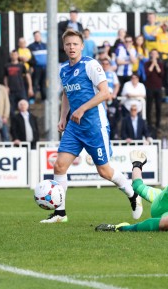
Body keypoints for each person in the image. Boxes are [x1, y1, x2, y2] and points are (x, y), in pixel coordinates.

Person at [44, 29, 142, 223]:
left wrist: (80, 109)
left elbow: (106, 93)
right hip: (74, 126)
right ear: (64, 47)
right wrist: (64, 116)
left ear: (82, 46)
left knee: (104, 171)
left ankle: (133, 194)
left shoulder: (90, 64)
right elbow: (66, 94)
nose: (71, 47)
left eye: (75, 44)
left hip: (94, 125)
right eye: (68, 44)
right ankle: (60, 214)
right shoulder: (63, 69)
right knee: (59, 165)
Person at [4, 50, 32, 114]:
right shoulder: (7, 66)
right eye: (12, 55)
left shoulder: (21, 65)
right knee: (12, 109)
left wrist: (30, 88)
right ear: (10, 56)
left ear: (18, 56)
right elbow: (5, 77)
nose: (14, 56)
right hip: (11, 91)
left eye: (15, 55)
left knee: (26, 107)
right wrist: (6, 86)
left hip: (21, 89)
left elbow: (28, 76)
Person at [143, 49, 163, 130]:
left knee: (158, 107)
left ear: (158, 55)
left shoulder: (161, 64)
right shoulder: (147, 64)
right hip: (149, 87)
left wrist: (156, 65)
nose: (154, 55)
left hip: (158, 88)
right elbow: (147, 73)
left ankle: (158, 124)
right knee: (149, 107)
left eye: (155, 54)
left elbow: (161, 74)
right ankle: (149, 124)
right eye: (152, 53)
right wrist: (152, 64)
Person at [28, 31, 47, 101]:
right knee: (35, 83)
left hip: (45, 68)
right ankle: (32, 99)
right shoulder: (30, 46)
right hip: (36, 68)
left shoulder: (45, 45)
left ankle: (44, 98)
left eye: (38, 36)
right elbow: (29, 58)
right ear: (34, 37)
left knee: (43, 84)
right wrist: (31, 66)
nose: (37, 37)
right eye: (35, 36)